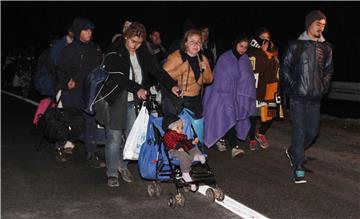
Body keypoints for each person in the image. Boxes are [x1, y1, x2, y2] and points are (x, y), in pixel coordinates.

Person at [96, 21, 181, 187]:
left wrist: (172, 85)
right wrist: (137, 88)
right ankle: (112, 172)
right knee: (113, 138)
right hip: (116, 99)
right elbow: (118, 76)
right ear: (126, 36)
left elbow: (155, 68)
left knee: (131, 137)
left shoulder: (141, 50)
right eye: (133, 41)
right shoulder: (115, 49)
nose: (136, 45)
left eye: (140, 42)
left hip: (132, 101)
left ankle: (122, 165)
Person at [280, 10, 333, 184]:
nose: (321, 27)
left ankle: (294, 151)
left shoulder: (326, 48)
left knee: (312, 132)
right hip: (297, 97)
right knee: (300, 132)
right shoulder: (295, 45)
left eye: (323, 25)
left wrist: (322, 87)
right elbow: (285, 68)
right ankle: (298, 166)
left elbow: (328, 70)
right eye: (318, 23)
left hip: (315, 98)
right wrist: (293, 87)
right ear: (309, 24)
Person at [57, 17, 105, 167]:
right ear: (78, 32)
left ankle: (91, 153)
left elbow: (98, 71)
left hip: (88, 92)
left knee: (90, 122)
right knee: (68, 121)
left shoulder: (94, 50)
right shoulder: (68, 50)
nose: (89, 33)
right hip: (71, 92)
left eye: (90, 30)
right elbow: (59, 72)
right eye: (85, 30)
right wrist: (66, 83)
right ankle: (60, 147)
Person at [203, 34, 257, 158]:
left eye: (245, 47)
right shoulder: (225, 59)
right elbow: (220, 79)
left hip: (238, 95)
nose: (243, 49)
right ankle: (234, 147)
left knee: (230, 116)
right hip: (222, 94)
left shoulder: (245, 60)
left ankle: (221, 138)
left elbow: (248, 80)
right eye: (241, 46)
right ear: (235, 44)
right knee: (228, 114)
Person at [162, 29, 213, 118]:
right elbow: (162, 76)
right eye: (192, 41)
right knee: (182, 131)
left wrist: (205, 70)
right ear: (185, 43)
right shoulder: (177, 56)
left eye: (198, 42)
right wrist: (181, 69)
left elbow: (209, 80)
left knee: (197, 130)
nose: (195, 44)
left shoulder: (202, 58)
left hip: (196, 101)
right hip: (179, 101)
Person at [246, 27, 280, 151]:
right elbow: (256, 68)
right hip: (256, 89)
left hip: (271, 89)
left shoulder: (274, 51)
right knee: (253, 115)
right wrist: (262, 53)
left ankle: (261, 134)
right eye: (262, 38)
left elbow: (276, 67)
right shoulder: (250, 52)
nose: (265, 41)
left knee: (271, 113)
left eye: (268, 39)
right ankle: (252, 138)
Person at [162, 115, 206, 191]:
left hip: (184, 151)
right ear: (170, 128)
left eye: (181, 128)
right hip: (173, 151)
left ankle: (197, 156)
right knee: (183, 154)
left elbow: (186, 143)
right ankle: (185, 173)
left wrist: (192, 142)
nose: (181, 130)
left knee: (194, 147)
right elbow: (170, 142)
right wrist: (178, 147)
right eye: (178, 128)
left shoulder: (181, 136)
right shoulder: (168, 134)